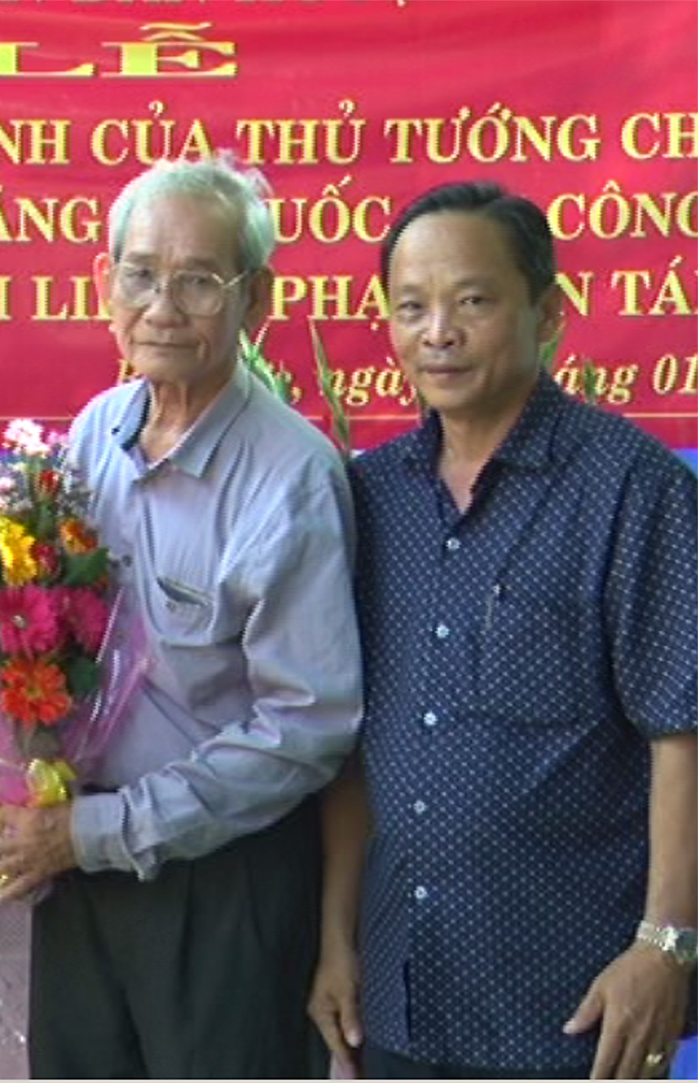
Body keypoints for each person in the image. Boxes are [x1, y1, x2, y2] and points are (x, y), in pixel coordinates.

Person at [0, 154, 364, 1078]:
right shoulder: (94, 433)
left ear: (256, 299)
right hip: (82, 875)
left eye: (198, 281)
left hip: (222, 885)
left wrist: (103, 831)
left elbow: (306, 726)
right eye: (141, 274)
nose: (162, 306)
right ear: (104, 285)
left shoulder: (292, 477)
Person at [306, 181, 697, 1079]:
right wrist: (337, 938)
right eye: (412, 307)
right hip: (401, 996)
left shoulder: (632, 490)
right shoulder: (373, 498)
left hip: (575, 1008)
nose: (438, 332)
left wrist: (667, 944)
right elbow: (350, 744)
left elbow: (683, 728)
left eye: (472, 301)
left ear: (546, 313)